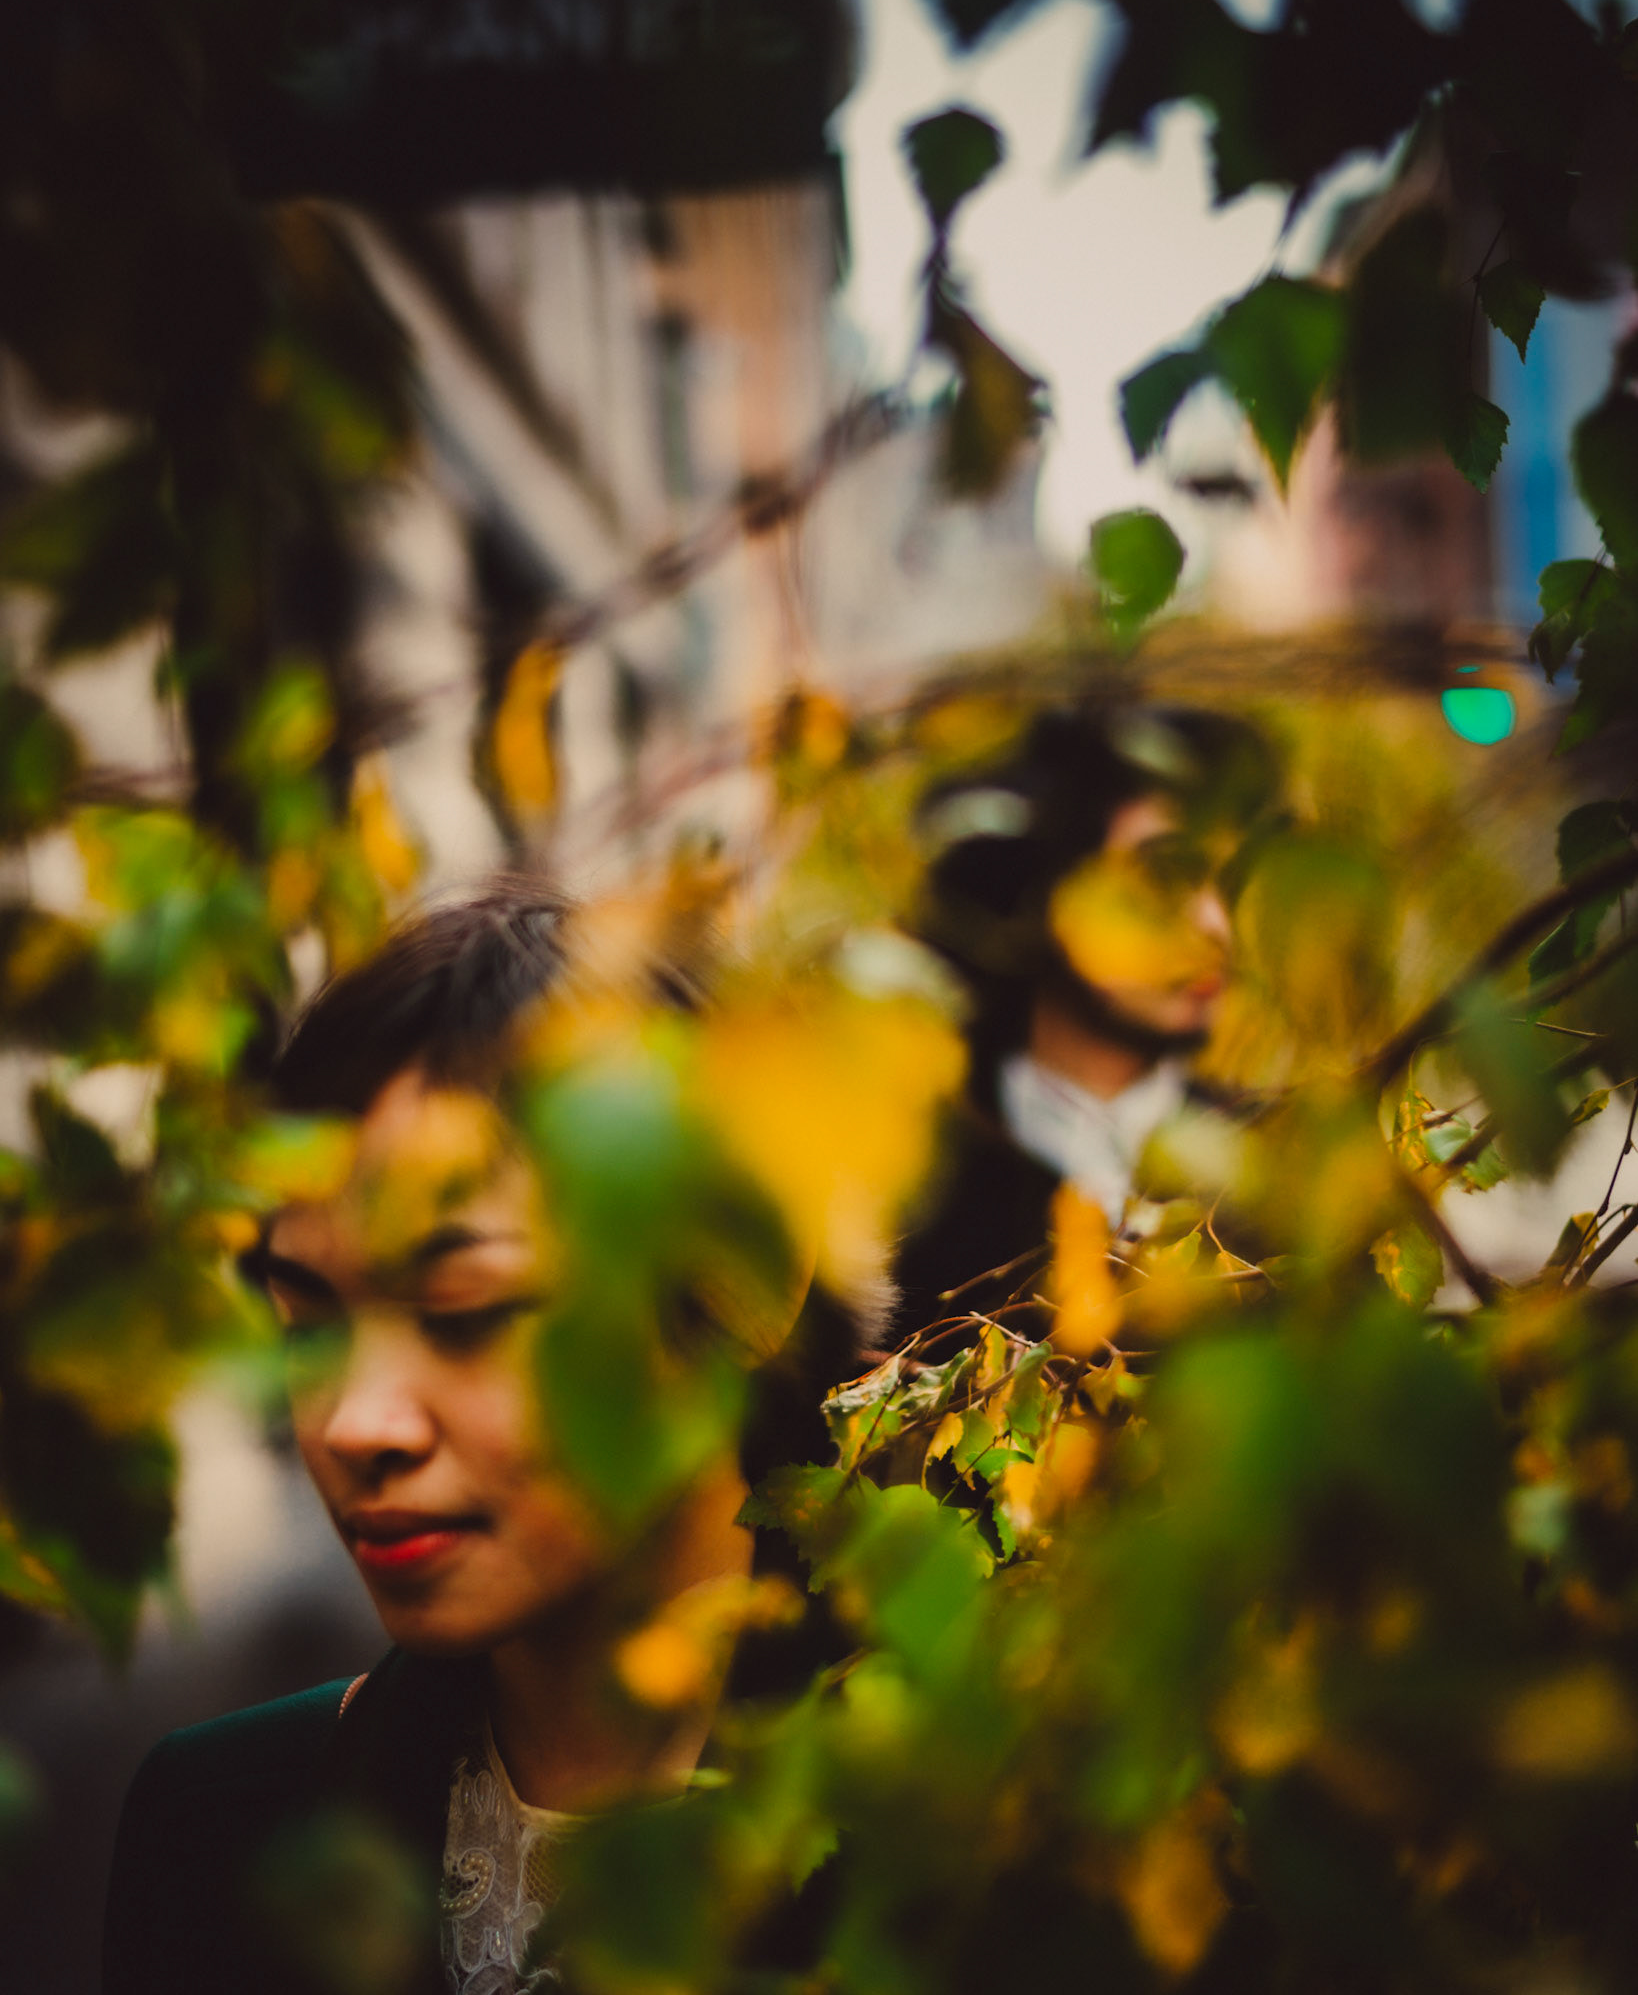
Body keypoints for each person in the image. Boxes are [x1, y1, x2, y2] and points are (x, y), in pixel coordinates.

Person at [102, 885, 871, 1995]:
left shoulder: (976, 1817)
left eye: (464, 1315)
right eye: (307, 1323)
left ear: (742, 1290)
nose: (358, 1424)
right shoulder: (221, 1821)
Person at [893, 701, 1275, 1345]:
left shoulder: (1273, 1180)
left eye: (1223, 881)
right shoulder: (902, 1200)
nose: (1214, 925)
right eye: (1162, 877)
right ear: (1046, 897)